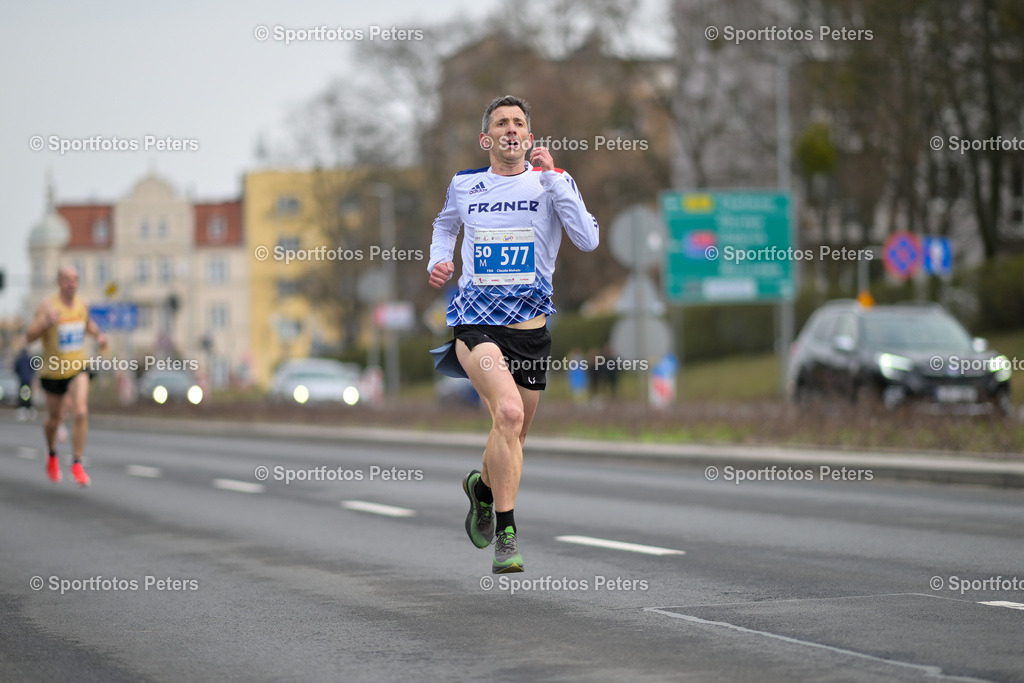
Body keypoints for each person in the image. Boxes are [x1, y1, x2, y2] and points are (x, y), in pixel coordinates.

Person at [428, 95, 599, 573]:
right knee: (505, 410)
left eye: (519, 123)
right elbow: (444, 226)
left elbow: (588, 239)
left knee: (514, 432)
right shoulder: (465, 186)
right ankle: (506, 532)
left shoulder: (553, 184)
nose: (510, 129)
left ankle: (481, 490)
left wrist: (559, 180)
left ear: (529, 137)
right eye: (501, 123)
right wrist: (438, 259)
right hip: (476, 325)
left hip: (531, 331)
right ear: (487, 139)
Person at [25, 266, 107, 486]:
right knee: (54, 420)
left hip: (78, 367)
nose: (71, 284)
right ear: (59, 282)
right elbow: (29, 335)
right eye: (67, 280)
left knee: (80, 410)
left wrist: (99, 336)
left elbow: (87, 323)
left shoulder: (83, 304)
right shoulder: (47, 305)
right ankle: (52, 454)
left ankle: (77, 463)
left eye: (75, 279)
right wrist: (45, 323)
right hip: (52, 371)